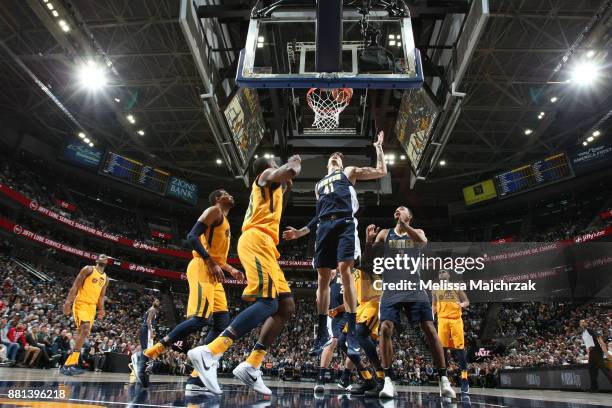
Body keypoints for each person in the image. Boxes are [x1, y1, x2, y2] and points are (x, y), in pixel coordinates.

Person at [188, 155, 301, 395]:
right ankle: (211, 352)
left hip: (268, 246)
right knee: (268, 302)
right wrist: (294, 162)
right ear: (267, 168)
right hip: (257, 241)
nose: (277, 165)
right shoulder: (265, 176)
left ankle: (252, 365)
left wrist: (288, 184)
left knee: (286, 306)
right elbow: (290, 170)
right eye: (274, 162)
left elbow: (285, 188)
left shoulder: (274, 190)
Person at [284, 131, 387, 358]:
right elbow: (317, 213)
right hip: (323, 227)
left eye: (338, 157)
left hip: (344, 223)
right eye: (332, 157)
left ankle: (351, 334)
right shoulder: (319, 185)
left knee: (344, 271)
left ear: (342, 164)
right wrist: (301, 232)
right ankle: (321, 332)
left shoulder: (348, 173)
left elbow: (381, 171)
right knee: (322, 277)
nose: (334, 157)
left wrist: (378, 147)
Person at [133, 189, 242, 389]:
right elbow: (192, 236)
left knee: (221, 325)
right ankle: (147, 355)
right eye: (226, 193)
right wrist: (210, 261)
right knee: (200, 319)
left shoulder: (225, 221)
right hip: (201, 266)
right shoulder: (214, 211)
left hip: (214, 272)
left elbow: (217, 257)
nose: (231, 195)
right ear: (217, 198)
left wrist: (232, 269)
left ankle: (197, 374)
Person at [365, 207, 455, 399]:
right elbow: (368, 261)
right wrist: (368, 242)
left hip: (414, 287)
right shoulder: (384, 233)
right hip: (391, 288)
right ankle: (388, 381)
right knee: (385, 328)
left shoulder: (418, 232)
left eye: (402, 209)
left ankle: (443, 379)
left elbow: (423, 243)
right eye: (396, 209)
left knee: (429, 328)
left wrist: (405, 226)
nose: (397, 209)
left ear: (409, 217)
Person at [61, 254, 109, 375]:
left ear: (107, 262)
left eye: (106, 257)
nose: (104, 258)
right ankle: (70, 365)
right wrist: (67, 303)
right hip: (81, 303)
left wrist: (101, 309)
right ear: (97, 259)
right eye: (101, 256)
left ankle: (68, 365)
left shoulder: (105, 278)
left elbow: (101, 296)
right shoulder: (88, 269)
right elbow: (76, 285)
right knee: (85, 328)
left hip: (92, 307)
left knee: (85, 333)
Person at [433, 269, 470, 394]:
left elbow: (466, 301)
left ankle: (464, 378)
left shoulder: (456, 287)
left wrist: (462, 304)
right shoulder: (435, 289)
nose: (442, 273)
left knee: (459, 349)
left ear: (448, 275)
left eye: (444, 272)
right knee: (442, 350)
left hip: (455, 320)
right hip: (442, 320)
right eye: (440, 272)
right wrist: (429, 315)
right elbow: (434, 305)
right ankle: (444, 379)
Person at [579, 319, 611, 392]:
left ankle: (594, 388)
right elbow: (587, 346)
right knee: (592, 371)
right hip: (592, 353)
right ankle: (594, 388)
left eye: (584, 322)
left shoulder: (590, 330)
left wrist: (605, 352)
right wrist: (589, 354)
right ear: (580, 325)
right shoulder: (583, 334)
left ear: (586, 323)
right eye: (581, 323)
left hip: (597, 350)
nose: (583, 323)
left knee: (604, 369)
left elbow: (600, 339)